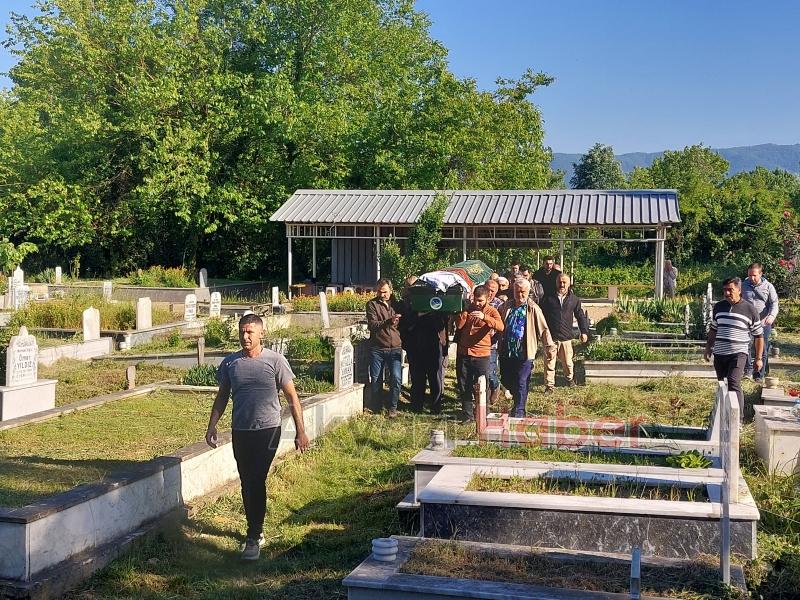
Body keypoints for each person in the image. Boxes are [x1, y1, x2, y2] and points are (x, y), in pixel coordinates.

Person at [205, 314, 310, 561]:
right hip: (241, 430)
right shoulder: (231, 363)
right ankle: (256, 529)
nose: (245, 336)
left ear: (261, 334)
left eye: (250, 332)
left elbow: (292, 398)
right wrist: (212, 425)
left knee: (256, 478)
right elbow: (222, 396)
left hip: (269, 429)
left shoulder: (275, 361)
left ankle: (253, 536)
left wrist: (301, 431)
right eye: (242, 331)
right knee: (246, 481)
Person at [704, 277, 764, 414]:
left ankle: (737, 418)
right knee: (722, 384)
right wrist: (708, 348)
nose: (727, 293)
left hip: (738, 353)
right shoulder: (719, 307)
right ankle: (724, 415)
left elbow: (759, 336)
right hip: (720, 353)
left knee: (733, 382)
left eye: (730, 290)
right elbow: (713, 329)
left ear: (739, 290)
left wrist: (759, 358)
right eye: (724, 290)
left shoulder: (749, 309)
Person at [498, 279, 556, 417]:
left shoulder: (533, 308)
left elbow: (544, 329)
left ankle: (519, 411)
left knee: (521, 381)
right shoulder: (506, 306)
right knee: (506, 380)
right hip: (507, 351)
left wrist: (549, 347)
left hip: (525, 352)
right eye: (517, 291)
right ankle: (516, 400)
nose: (520, 294)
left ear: (528, 291)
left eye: (523, 292)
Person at [455, 285, 504, 422]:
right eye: (475, 300)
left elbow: (500, 326)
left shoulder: (492, 311)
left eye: (480, 300)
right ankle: (467, 414)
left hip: (481, 353)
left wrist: (485, 317)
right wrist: (463, 312)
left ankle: (483, 413)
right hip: (464, 352)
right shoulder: (468, 308)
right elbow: (459, 325)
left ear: (488, 299)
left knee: (482, 384)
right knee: (464, 384)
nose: (477, 303)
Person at [540, 273, 590, 392]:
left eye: (564, 282)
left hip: (566, 336)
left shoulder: (574, 299)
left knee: (568, 363)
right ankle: (549, 386)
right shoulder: (547, 298)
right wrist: (540, 332)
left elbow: (580, 316)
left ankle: (569, 379)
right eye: (560, 282)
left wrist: (584, 331)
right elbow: (540, 316)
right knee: (549, 363)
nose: (562, 285)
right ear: (556, 283)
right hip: (551, 337)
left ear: (569, 284)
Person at [366, 278, 404, 417]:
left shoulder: (397, 304)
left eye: (385, 292)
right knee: (376, 379)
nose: (382, 295)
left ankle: (392, 407)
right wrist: (389, 321)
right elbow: (372, 325)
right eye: (379, 292)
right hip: (378, 348)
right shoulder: (372, 304)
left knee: (396, 377)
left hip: (395, 347)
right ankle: (377, 407)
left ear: (391, 291)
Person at [741, 263, 779, 381]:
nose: (752, 278)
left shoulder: (768, 286)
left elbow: (774, 303)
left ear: (761, 274)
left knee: (762, 348)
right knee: (745, 345)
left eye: (755, 275)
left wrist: (771, 316)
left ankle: (758, 375)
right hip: (746, 322)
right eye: (749, 275)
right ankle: (748, 370)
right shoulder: (743, 285)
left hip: (763, 322)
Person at [485, 278, 504, 407]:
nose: (490, 293)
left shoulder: (499, 305)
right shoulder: (477, 301)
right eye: (488, 290)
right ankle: (484, 398)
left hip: (492, 343)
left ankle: (495, 385)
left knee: (490, 371)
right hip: (478, 344)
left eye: (493, 291)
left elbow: (501, 324)